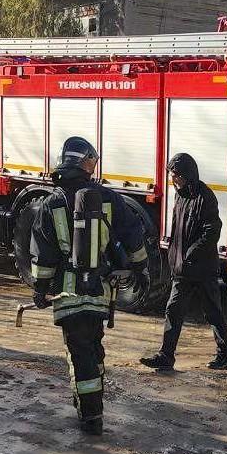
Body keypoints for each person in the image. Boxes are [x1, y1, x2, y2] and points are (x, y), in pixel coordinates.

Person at [30, 136, 148, 436]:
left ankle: (91, 414)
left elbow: (42, 252)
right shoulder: (109, 198)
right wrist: (139, 268)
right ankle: (91, 404)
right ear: (86, 163)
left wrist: (40, 289)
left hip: (68, 293)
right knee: (92, 347)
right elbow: (134, 233)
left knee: (79, 351)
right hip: (99, 290)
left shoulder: (50, 203)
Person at [140, 153, 227, 371]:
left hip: (202, 268)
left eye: (177, 176)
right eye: (172, 177)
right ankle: (165, 356)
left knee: (212, 312)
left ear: (187, 175)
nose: (174, 181)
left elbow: (212, 231)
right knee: (173, 310)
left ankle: (225, 353)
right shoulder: (179, 196)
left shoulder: (205, 197)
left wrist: (191, 253)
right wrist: (174, 255)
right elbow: (177, 230)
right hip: (181, 269)